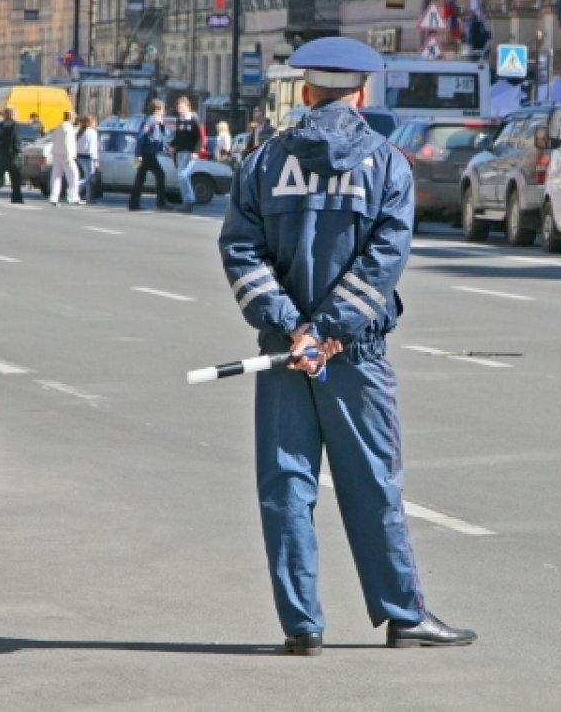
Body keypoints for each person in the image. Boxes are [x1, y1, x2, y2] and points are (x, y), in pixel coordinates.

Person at [217, 36, 476, 657]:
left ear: (305, 93)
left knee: (286, 485)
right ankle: (401, 615)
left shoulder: (262, 161)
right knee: (372, 484)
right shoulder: (389, 164)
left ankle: (301, 626)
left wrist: (292, 328)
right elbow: (385, 259)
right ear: (362, 93)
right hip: (352, 353)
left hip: (283, 354)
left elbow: (240, 250)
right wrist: (329, 332)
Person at [129, 99, 170, 211]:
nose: (164, 112)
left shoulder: (156, 121)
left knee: (139, 178)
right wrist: (138, 155)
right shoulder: (150, 120)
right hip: (146, 154)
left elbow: (160, 138)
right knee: (160, 175)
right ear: (157, 109)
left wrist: (162, 125)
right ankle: (161, 203)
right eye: (163, 109)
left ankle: (133, 204)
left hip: (146, 153)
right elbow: (141, 136)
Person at [170, 96, 201, 213]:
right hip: (180, 153)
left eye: (182, 107)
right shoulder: (179, 120)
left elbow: (200, 138)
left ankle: (190, 200)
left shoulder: (193, 120)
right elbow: (178, 137)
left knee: (183, 175)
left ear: (188, 107)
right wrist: (173, 146)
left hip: (190, 153)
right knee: (182, 177)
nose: (180, 109)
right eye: (178, 107)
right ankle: (186, 203)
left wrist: (196, 152)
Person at [47, 110, 81, 205]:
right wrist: (69, 155)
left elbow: (54, 138)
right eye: (74, 118)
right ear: (71, 117)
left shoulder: (59, 126)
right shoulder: (68, 128)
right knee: (73, 175)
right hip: (66, 155)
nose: (75, 120)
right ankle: (74, 197)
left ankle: (53, 197)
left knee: (56, 176)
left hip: (56, 153)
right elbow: (67, 142)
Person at [75, 114, 100, 203]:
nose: (96, 123)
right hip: (89, 157)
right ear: (91, 122)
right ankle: (75, 187)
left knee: (87, 177)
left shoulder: (81, 131)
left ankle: (89, 197)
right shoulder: (92, 132)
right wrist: (96, 159)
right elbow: (93, 147)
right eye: (95, 122)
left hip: (80, 156)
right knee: (89, 178)